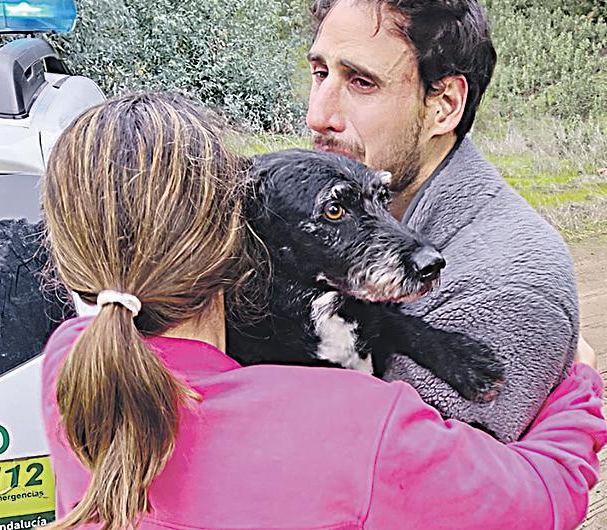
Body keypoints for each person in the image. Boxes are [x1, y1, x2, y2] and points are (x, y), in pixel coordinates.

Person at [40, 92, 605, 530]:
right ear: (236, 238)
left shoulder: (70, 367)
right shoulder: (355, 423)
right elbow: (541, 499)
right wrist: (579, 384)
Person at [305, 0, 594, 441]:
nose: (318, 116)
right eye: (320, 73)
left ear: (444, 105)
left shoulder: (507, 288)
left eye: (362, 82)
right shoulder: (311, 217)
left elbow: (390, 470)